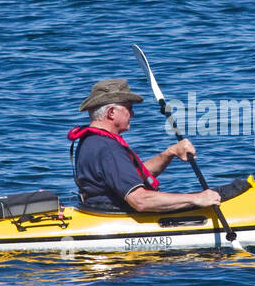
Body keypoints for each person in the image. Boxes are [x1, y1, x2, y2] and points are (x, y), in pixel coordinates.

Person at [68, 78, 221, 213]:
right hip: (118, 218)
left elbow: (130, 176)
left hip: (100, 210)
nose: (132, 114)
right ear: (111, 112)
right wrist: (196, 198)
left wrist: (169, 153)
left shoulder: (91, 141)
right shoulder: (107, 148)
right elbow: (140, 201)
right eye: (129, 108)